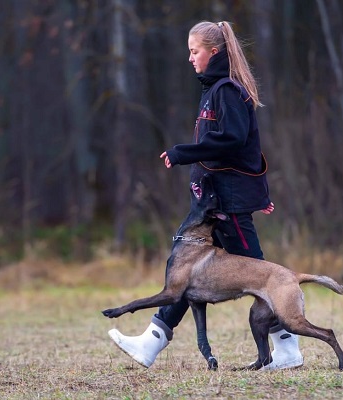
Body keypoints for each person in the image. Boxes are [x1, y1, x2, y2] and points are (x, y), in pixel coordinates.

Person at [107, 20, 303, 370]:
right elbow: (247, 149)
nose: (190, 58)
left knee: (261, 275)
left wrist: (185, 152)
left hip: (227, 203)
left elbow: (234, 141)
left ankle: (287, 349)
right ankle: (151, 342)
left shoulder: (227, 90)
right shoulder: (214, 90)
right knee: (186, 269)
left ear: (213, 52)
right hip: (215, 202)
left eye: (194, 51)